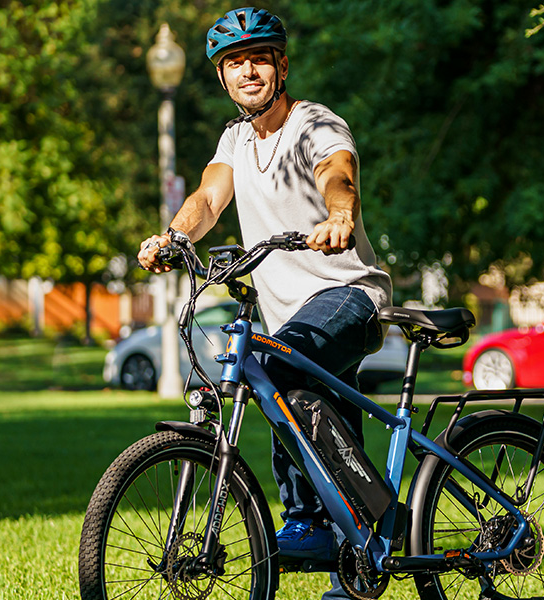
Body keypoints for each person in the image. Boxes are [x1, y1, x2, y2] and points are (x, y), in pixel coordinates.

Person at [135, 7, 392, 596]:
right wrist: (175, 237)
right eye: (233, 63)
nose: (247, 71)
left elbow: (338, 171)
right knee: (305, 400)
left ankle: (307, 521)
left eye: (257, 59)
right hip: (289, 317)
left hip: (347, 294)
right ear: (222, 77)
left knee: (275, 370)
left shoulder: (315, 124)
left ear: (279, 65)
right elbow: (207, 198)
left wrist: (340, 215)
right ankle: (360, 557)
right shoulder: (234, 140)